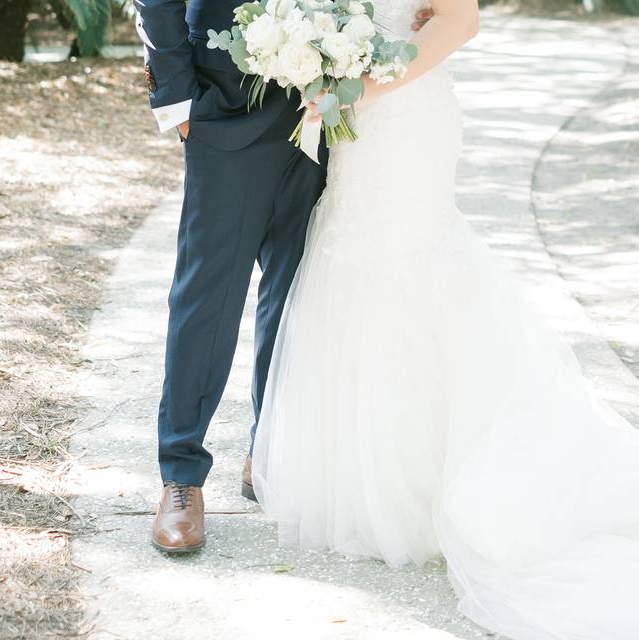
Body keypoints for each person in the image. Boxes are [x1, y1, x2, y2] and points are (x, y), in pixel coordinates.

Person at [251, 0, 639, 637]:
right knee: (352, 261)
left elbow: (460, 21)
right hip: (352, 129)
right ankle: (369, 487)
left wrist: (364, 85)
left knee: (408, 267)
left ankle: (431, 484)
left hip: (403, 116)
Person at [134, 0, 433, 553]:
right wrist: (175, 94)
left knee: (299, 289)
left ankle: (267, 452)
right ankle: (181, 476)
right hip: (224, 102)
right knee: (208, 294)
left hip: (330, 102)